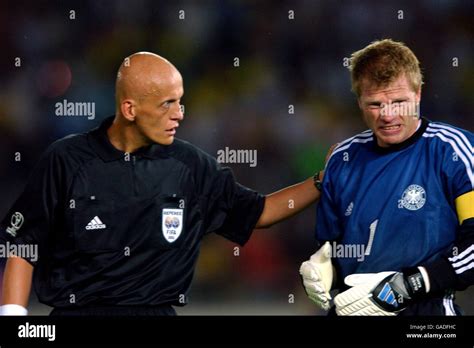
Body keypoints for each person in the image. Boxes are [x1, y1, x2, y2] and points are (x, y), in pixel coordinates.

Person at [0, 52, 326, 316]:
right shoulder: (66, 159)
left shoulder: (190, 166)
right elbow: (23, 246)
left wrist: (321, 181)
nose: (179, 114)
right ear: (129, 108)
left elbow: (260, 212)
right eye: (167, 104)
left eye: (180, 101)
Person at [300, 39, 473, 316]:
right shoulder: (342, 159)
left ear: (418, 94)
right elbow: (334, 247)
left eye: (399, 102)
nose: (388, 115)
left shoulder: (453, 151)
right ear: (359, 102)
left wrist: (411, 284)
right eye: (375, 104)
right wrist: (321, 268)